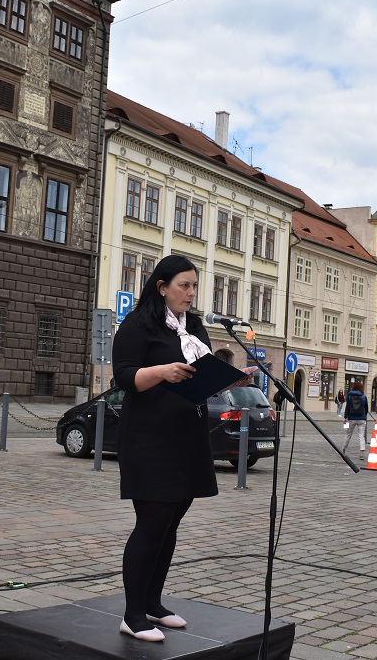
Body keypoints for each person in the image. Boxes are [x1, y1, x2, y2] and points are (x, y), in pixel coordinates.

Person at [111, 254, 252, 643]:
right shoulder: (138, 324)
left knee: (170, 524)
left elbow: (201, 372)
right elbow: (123, 376)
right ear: (162, 286)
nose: (191, 294)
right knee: (152, 523)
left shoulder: (193, 329)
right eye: (184, 286)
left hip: (187, 437)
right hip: (149, 438)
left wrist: (222, 382)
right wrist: (162, 372)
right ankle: (132, 614)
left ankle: (153, 604)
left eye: (194, 286)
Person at [342, 380, 369, 461]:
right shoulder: (364, 397)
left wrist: (345, 417)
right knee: (361, 436)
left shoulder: (349, 396)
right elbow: (366, 408)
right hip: (362, 418)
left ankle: (343, 450)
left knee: (348, 435)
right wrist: (364, 415)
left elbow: (347, 407)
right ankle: (361, 453)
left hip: (351, 418)